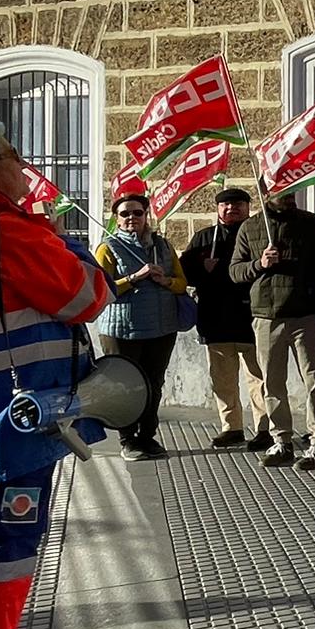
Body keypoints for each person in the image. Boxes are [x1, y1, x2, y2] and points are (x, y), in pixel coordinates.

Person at [0, 120, 111, 629]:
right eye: (10, 155)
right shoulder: (4, 231)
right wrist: (68, 245)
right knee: (5, 543)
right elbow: (85, 296)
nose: (23, 164)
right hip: (13, 423)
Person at [229, 191, 315, 470]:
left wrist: (312, 290)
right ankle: (282, 441)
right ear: (267, 193)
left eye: (292, 189)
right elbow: (235, 271)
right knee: (272, 382)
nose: (289, 196)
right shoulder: (250, 227)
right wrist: (259, 264)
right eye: (282, 191)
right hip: (267, 316)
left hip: (305, 314)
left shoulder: (311, 224)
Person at [93, 193, 189, 460]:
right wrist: (135, 277)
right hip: (122, 330)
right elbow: (103, 288)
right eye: (125, 214)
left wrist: (165, 281)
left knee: (153, 384)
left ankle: (148, 436)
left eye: (137, 213)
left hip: (161, 327)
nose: (131, 218)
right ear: (117, 219)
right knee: (126, 385)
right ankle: (127, 439)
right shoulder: (107, 248)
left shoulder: (163, 245)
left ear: (147, 215)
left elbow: (182, 283)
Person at [183, 187, 270, 452]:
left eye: (238, 204)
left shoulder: (260, 234)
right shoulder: (203, 238)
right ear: (218, 209)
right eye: (226, 205)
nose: (231, 209)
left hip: (252, 317)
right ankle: (231, 428)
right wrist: (202, 269)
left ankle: (264, 429)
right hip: (215, 319)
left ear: (248, 207)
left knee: (259, 378)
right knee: (222, 380)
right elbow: (184, 273)